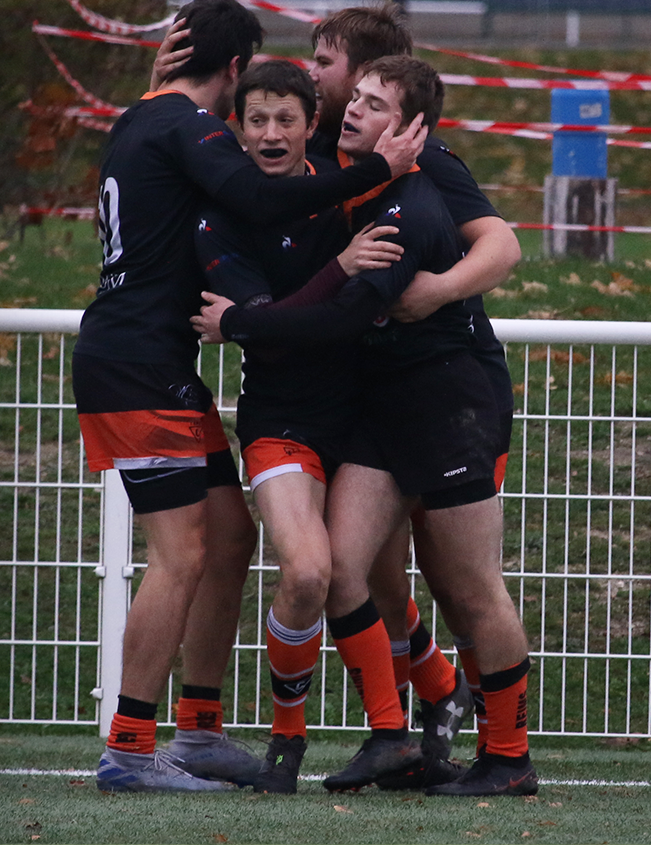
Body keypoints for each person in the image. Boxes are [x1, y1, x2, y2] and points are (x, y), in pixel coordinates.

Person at [156, 0, 520, 783]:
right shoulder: (307, 153)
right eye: (338, 89)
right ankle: (406, 719)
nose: (322, 83)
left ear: (383, 95)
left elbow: (502, 242)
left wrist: (435, 289)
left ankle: (501, 750)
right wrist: (164, 90)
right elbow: (208, 130)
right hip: (355, 406)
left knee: (460, 583)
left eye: (331, 68)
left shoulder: (419, 168)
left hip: (446, 396)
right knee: (343, 571)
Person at [74, 0, 425, 793]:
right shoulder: (189, 127)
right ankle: (129, 749)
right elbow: (263, 198)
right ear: (234, 71)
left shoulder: (142, 115)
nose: (266, 130)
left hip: (156, 365)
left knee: (230, 537)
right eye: (253, 111)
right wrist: (379, 170)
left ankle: (199, 731)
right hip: (136, 366)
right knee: (181, 555)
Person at [193, 60, 405, 793]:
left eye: (286, 118)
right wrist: (341, 270)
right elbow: (268, 333)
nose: (271, 133)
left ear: (312, 123)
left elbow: (278, 320)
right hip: (280, 419)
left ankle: (407, 728)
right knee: (309, 574)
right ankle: (288, 741)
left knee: (378, 581)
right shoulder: (220, 215)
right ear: (238, 127)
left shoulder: (346, 189)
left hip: (365, 420)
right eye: (257, 119)